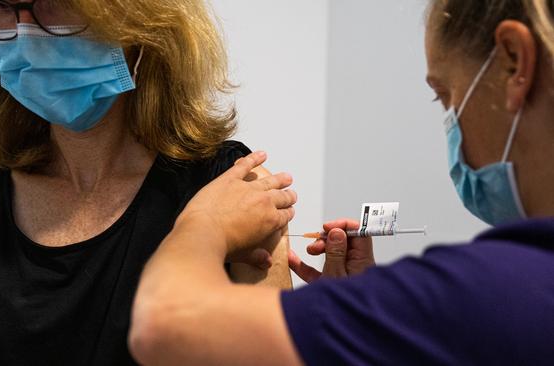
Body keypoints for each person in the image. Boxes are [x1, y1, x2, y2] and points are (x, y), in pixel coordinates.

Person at [129, 0, 554, 364]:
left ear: (514, 61)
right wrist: (345, 331)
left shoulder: (494, 290)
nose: (451, 124)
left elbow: (162, 325)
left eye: (445, 95)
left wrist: (202, 220)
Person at [0, 0, 293, 364]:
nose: (25, 34)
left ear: (135, 19)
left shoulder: (231, 189)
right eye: (0, 6)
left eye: (52, 2)